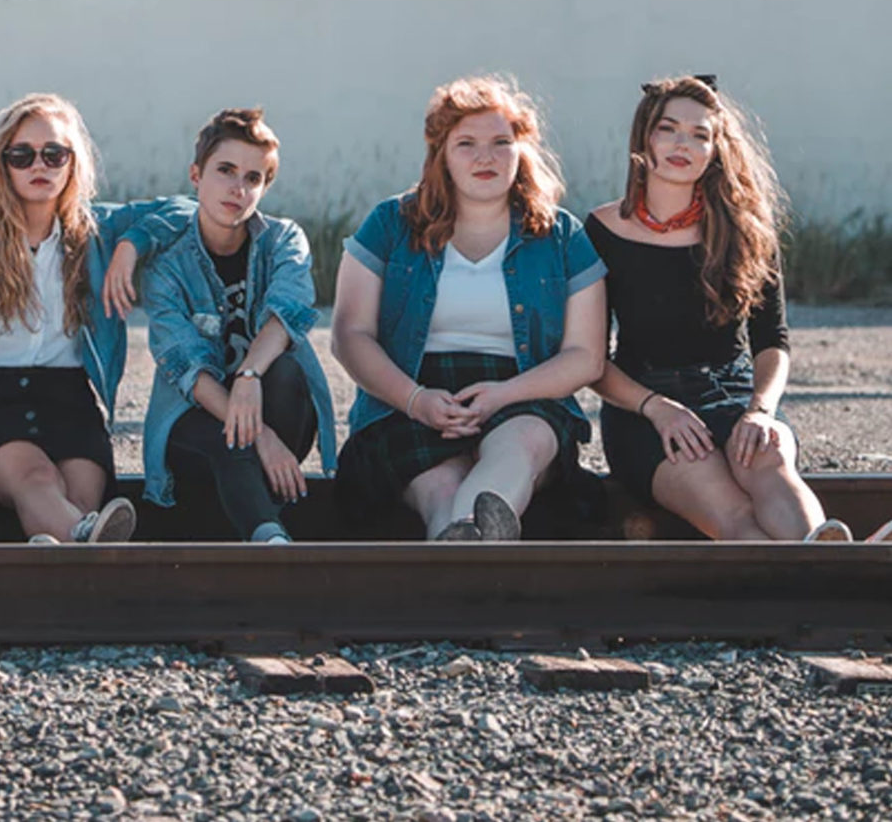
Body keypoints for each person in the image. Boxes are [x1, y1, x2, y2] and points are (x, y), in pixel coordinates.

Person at [0, 93, 193, 543]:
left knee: (81, 497)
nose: (39, 165)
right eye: (22, 155)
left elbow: (187, 209)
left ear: (72, 162)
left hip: (69, 400)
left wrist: (130, 245)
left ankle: (63, 552)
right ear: (2, 163)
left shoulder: (97, 232)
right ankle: (89, 552)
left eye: (54, 154)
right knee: (37, 480)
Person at [332, 76, 606, 541]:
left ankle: (461, 541)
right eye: (466, 144)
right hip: (409, 396)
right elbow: (349, 336)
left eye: (501, 142)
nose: (486, 157)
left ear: (521, 150)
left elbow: (586, 356)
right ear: (441, 153)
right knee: (442, 485)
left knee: (522, 443)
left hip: (523, 394)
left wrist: (502, 395)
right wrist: (416, 400)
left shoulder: (562, 235)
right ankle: (467, 545)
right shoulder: (389, 224)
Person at [587, 75, 851, 541]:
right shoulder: (601, 230)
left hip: (735, 392)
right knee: (730, 509)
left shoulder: (744, 229)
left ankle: (831, 562)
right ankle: (838, 571)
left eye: (699, 135)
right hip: (646, 408)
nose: (682, 144)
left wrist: (760, 410)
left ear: (715, 150)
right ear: (644, 137)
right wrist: (658, 409)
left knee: (769, 463)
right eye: (668, 129)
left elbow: (773, 341)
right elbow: (589, 361)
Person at [138, 107, 337, 543]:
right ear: (196, 175)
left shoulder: (283, 240)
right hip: (196, 419)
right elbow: (185, 366)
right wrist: (260, 434)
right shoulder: (167, 266)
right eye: (225, 170)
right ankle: (271, 540)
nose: (238, 188)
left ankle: (254, 527)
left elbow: (287, 313)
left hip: (276, 405)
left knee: (284, 371)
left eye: (253, 178)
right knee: (225, 440)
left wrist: (249, 376)